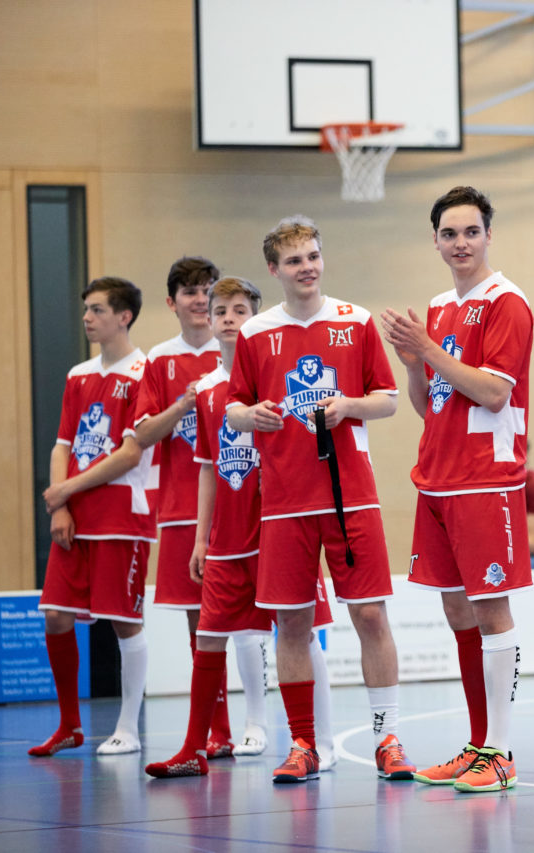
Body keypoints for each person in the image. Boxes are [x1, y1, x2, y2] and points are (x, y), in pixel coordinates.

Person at [227, 215, 413, 783]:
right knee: (291, 625)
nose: (306, 267)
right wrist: (249, 415)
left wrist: (350, 406)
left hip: (350, 495)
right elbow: (234, 407)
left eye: (312, 256)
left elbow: (388, 399)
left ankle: (387, 739)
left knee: (370, 615)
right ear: (274, 270)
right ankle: (305, 743)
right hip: (283, 501)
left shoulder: (354, 322)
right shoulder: (256, 333)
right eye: (294, 261)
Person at [145, 276, 337, 778]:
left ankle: (324, 740)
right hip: (227, 540)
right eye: (220, 310)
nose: (228, 318)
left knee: (302, 634)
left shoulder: (275, 375)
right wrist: (202, 536)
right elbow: (207, 467)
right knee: (208, 638)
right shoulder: (206, 391)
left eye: (238, 310)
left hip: (279, 529)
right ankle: (194, 746)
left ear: (256, 315)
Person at [381, 186, 533, 793]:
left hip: (485, 477)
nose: (460, 243)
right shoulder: (440, 307)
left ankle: (500, 752)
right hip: (437, 476)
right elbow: (427, 405)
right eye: (449, 234)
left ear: (488, 235)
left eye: (471, 231)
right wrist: (414, 361)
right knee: (455, 607)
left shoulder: (507, 302)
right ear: (437, 240)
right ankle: (478, 745)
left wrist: (428, 350)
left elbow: (495, 392)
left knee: (491, 608)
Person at [131, 257, 263, 759]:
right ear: (174, 302)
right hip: (188, 509)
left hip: (250, 507)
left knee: (259, 621)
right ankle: (218, 732)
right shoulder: (160, 360)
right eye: (190, 292)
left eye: (206, 291)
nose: (200, 301)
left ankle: (257, 722)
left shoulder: (244, 350)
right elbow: (142, 434)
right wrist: (184, 404)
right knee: (203, 625)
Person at [33, 277, 156, 756]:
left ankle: (128, 727)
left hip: (122, 514)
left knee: (124, 621)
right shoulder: (78, 375)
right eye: (86, 308)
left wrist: (67, 488)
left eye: (97, 309)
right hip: (75, 515)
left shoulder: (147, 372)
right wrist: (61, 503)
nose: (87, 317)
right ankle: (69, 724)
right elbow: (63, 444)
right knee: (56, 615)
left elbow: (130, 454)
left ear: (124, 316)